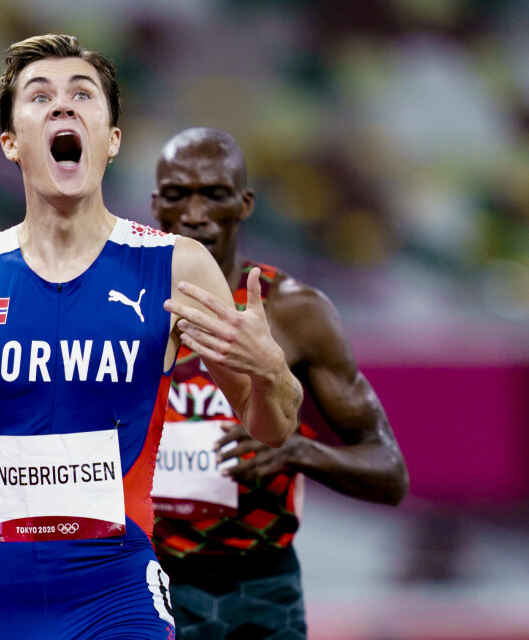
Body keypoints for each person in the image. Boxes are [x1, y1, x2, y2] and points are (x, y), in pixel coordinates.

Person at [0, 35, 303, 640]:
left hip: (115, 590)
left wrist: (272, 371)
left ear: (111, 138)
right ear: (11, 143)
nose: (63, 107)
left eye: (81, 95)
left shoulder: (176, 267)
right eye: (41, 97)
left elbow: (270, 424)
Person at [149, 126, 410, 639]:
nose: (196, 214)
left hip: (261, 586)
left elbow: (390, 471)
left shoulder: (296, 312)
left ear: (245, 204)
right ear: (156, 203)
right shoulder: (114, 307)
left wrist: (294, 451)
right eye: (178, 195)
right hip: (142, 581)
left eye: (215, 195)